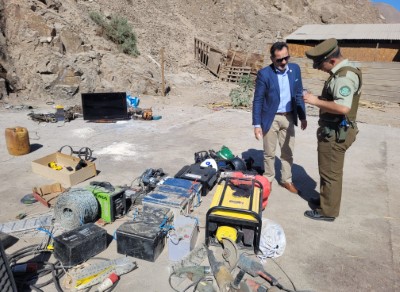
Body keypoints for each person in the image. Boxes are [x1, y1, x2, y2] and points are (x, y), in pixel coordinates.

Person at [303, 38, 362, 221]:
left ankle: (327, 212)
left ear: (332, 60)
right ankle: (326, 200)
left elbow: (343, 107)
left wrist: (314, 101)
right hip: (334, 130)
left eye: (320, 64)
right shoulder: (342, 72)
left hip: (336, 133)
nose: (319, 68)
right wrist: (319, 97)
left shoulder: (344, 76)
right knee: (327, 170)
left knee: (331, 173)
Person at [252, 42, 307, 194]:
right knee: (269, 153)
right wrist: (257, 124)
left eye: (286, 58)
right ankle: (268, 179)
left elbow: (298, 94)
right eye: (279, 60)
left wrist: (302, 116)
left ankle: (286, 180)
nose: (283, 62)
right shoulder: (265, 74)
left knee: (287, 152)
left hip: (289, 117)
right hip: (271, 118)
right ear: (272, 59)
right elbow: (258, 100)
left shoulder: (295, 70)